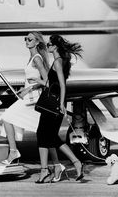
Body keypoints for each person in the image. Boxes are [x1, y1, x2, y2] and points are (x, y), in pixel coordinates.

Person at [1, 31, 60, 166]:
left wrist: (33, 84)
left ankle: (13, 151)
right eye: (25, 39)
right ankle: (57, 165)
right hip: (28, 97)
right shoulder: (32, 58)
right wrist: (26, 88)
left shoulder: (37, 59)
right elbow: (32, 81)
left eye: (30, 39)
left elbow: (48, 82)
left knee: (7, 117)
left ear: (37, 42)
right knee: (46, 135)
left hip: (33, 100)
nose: (27, 41)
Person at [35, 34, 84, 183]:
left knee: (45, 135)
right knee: (49, 137)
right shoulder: (60, 60)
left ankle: (49, 169)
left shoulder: (57, 61)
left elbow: (62, 85)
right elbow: (55, 84)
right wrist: (40, 81)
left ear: (55, 46)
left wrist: (62, 104)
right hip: (53, 103)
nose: (47, 46)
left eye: (49, 44)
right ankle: (73, 163)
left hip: (53, 104)